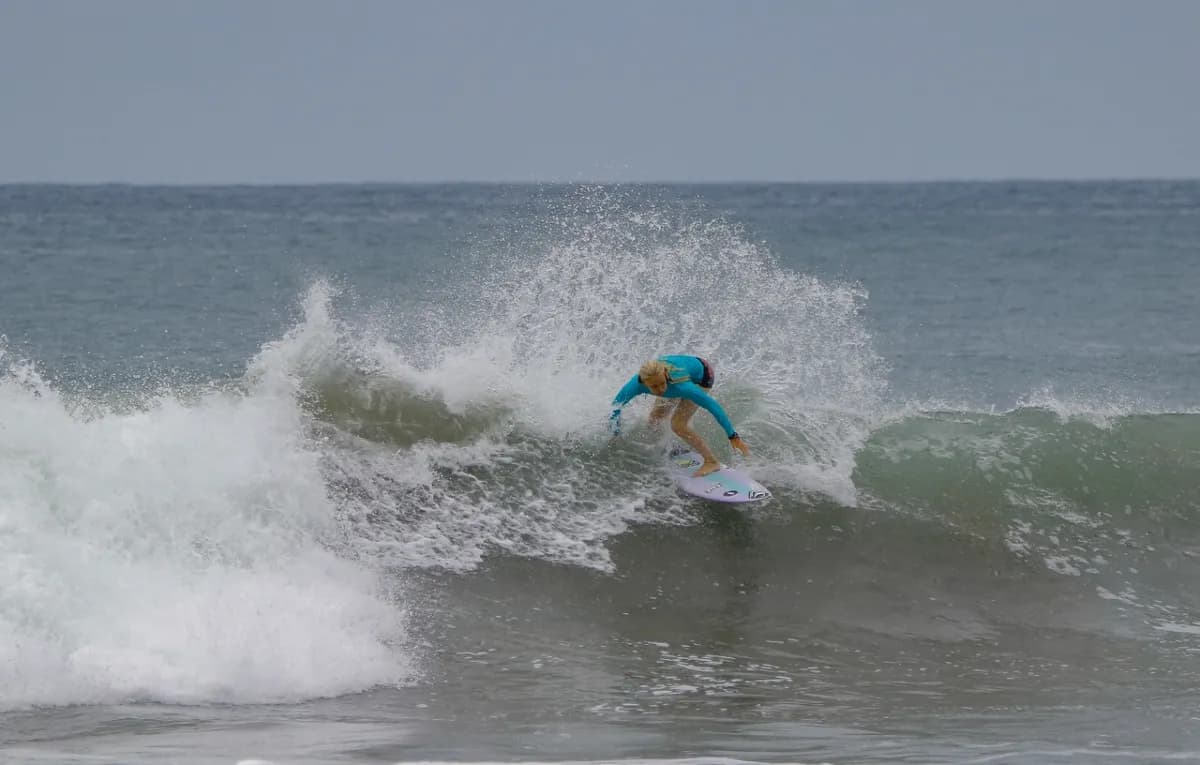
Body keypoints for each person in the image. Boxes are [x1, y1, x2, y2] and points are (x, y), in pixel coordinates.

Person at [608, 354, 750, 477]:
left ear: (665, 374)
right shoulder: (635, 385)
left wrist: (733, 436)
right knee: (654, 418)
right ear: (644, 383)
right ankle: (668, 446)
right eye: (654, 386)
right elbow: (616, 408)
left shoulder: (682, 386)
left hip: (702, 375)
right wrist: (615, 434)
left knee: (678, 425)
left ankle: (711, 462)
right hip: (679, 372)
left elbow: (713, 406)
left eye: (662, 384)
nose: (660, 390)